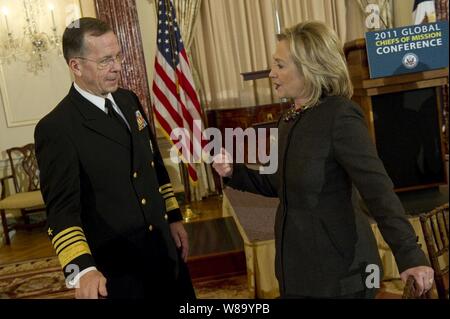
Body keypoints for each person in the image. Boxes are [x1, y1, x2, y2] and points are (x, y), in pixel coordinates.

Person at [212, 21, 434, 298]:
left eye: (280, 65)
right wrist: (235, 171)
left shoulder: (341, 117)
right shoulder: (289, 119)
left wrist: (410, 254)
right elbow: (278, 182)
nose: (271, 73)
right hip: (296, 270)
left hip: (340, 276)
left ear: (310, 69)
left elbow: (378, 191)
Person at [34, 17, 195, 300]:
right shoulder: (57, 128)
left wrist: (173, 217)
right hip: (119, 271)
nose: (118, 66)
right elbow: (61, 211)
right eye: (105, 60)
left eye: (118, 56)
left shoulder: (128, 100)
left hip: (163, 253)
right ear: (76, 66)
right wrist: (81, 270)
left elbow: (154, 166)